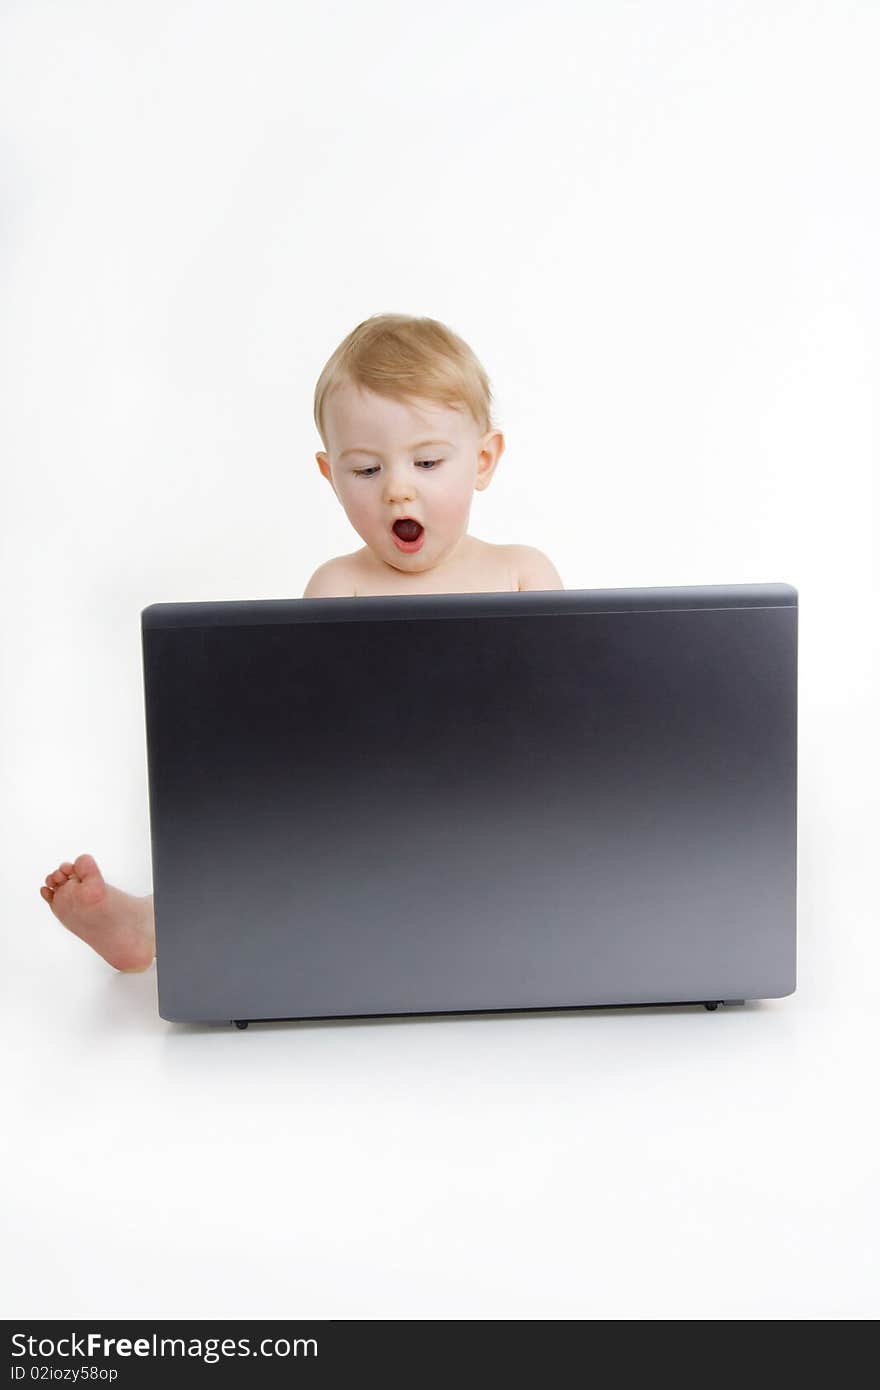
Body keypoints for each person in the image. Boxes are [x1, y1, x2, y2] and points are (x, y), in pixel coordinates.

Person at [39, 313, 564, 972]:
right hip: (373, 824)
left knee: (587, 828)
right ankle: (150, 924)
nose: (399, 487)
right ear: (330, 475)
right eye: (366, 469)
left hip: (500, 820)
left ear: (483, 460)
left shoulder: (522, 572)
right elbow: (313, 736)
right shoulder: (337, 585)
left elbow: (560, 723)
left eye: (427, 461)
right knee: (261, 826)